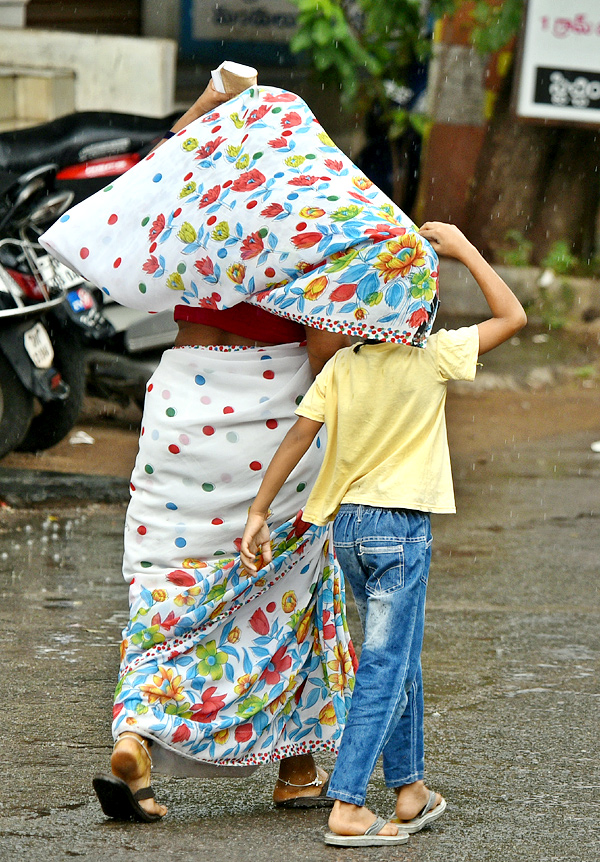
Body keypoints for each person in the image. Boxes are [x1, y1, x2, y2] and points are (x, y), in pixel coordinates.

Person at [91, 77, 439, 823]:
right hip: (267, 408)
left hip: (183, 403)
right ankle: (296, 765)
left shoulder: (200, 200)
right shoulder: (305, 222)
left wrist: (212, 103)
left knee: (166, 582)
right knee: (291, 587)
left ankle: (137, 735)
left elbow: (163, 166)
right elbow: (322, 355)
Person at [241, 221, 527, 846]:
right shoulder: (434, 358)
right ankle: (346, 804)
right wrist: (465, 247)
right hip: (399, 529)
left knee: (401, 660)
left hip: (348, 531)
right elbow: (513, 316)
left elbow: (297, 437)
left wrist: (260, 512)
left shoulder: (343, 366)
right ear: (422, 309)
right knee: (385, 664)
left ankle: (410, 789)